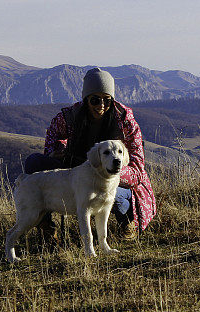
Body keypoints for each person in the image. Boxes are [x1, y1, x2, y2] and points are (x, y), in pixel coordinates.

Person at [24, 67, 157, 241]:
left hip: (113, 179)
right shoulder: (71, 117)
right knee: (34, 163)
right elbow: (53, 134)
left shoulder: (125, 121)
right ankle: (45, 225)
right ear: (86, 99)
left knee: (112, 193)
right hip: (79, 173)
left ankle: (127, 222)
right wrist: (56, 151)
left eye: (107, 100)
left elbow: (137, 170)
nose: (101, 105)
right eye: (95, 100)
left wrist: (109, 169)